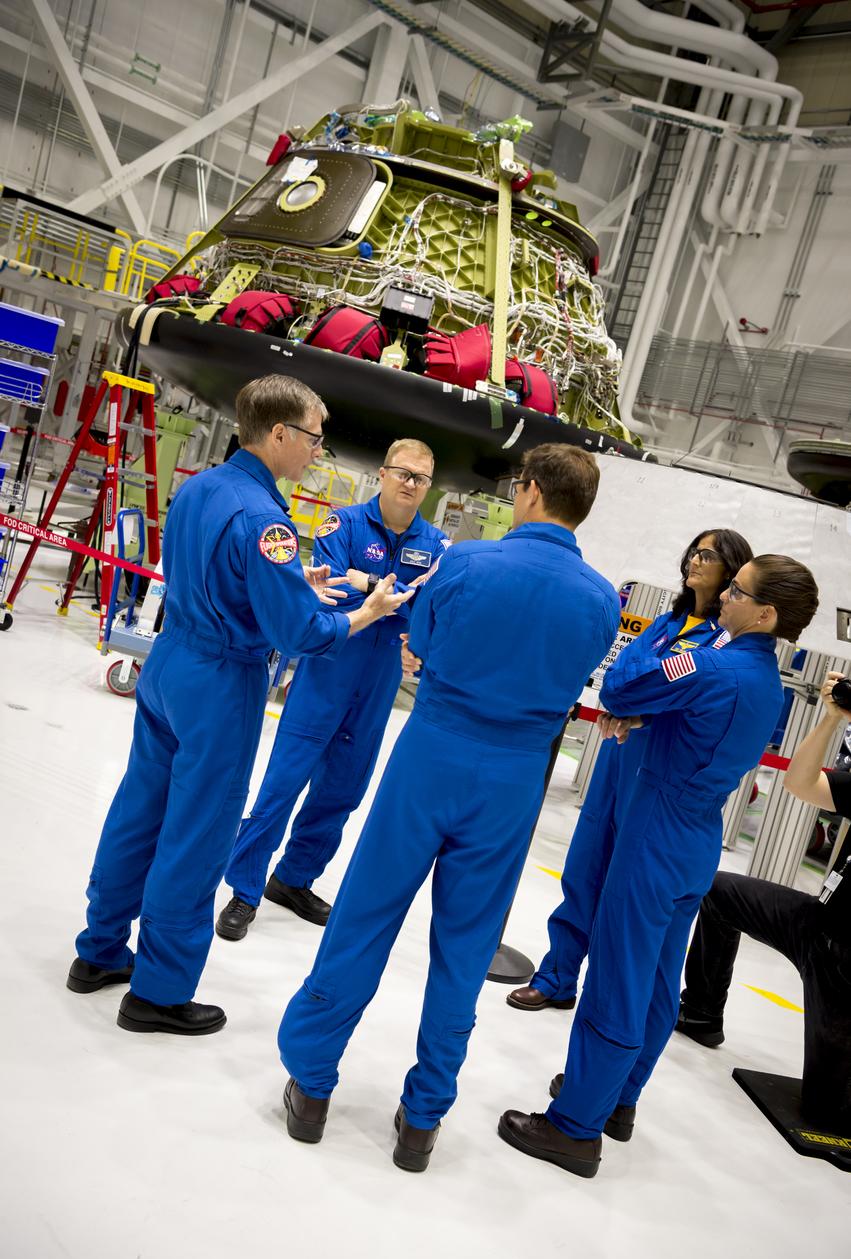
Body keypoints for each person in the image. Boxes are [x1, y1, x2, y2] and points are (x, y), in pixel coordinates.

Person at [277, 444, 620, 1171]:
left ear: (528, 492)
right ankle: (422, 1117)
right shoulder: (599, 599)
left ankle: (310, 1083)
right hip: (516, 775)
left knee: (365, 912)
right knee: (464, 948)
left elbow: (421, 638)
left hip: (434, 750)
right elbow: (582, 677)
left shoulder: (465, 563)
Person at [67, 375, 410, 1035]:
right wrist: (364, 612)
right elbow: (301, 634)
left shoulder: (200, 486)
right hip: (221, 682)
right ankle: (159, 992)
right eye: (313, 436)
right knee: (198, 834)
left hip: (172, 662)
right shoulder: (266, 519)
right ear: (278, 432)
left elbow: (214, 574)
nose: (317, 449)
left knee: (139, 810)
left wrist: (290, 583)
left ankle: (100, 948)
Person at [499, 554, 819, 1178]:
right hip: (695, 837)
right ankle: (619, 1100)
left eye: (736, 590)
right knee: (655, 981)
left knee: (618, 978)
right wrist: (652, 715)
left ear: (766, 613)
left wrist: (660, 641)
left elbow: (619, 685)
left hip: (653, 836)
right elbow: (689, 720)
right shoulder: (764, 684)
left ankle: (574, 1128)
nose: (723, 595)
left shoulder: (711, 662)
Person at [508, 528, 753, 1013]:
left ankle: (608, 996)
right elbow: (620, 680)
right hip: (616, 760)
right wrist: (634, 704)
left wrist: (644, 705)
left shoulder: (725, 643)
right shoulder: (666, 623)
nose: (695, 560)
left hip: (659, 768)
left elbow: (691, 701)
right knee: (584, 867)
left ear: (732, 570)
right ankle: (557, 975)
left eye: (709, 555)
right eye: (694, 550)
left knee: (628, 891)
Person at [216, 439, 447, 940]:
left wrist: (376, 591)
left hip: (380, 681)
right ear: (382, 474)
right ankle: (244, 889)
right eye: (403, 473)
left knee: (344, 789)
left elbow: (427, 606)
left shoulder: (437, 545)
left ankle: (294, 878)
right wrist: (377, 592)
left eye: (421, 478)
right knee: (283, 783)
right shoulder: (342, 524)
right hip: (329, 669)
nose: (410, 484)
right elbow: (331, 586)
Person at [676, 669, 851, 1136]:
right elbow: (800, 783)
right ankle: (700, 1012)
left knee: (828, 1115)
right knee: (718, 893)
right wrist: (831, 719)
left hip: (846, 964)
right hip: (819, 922)